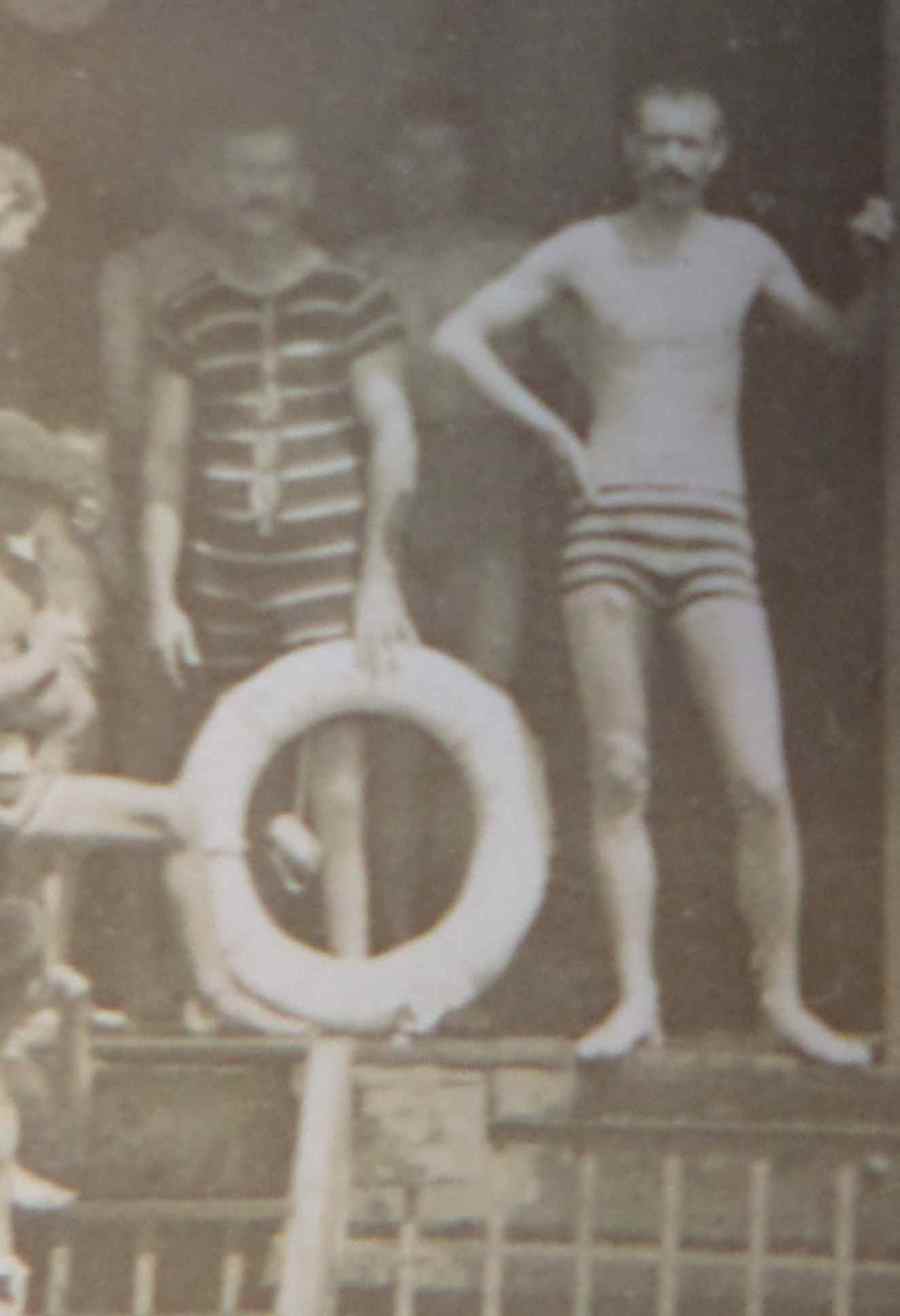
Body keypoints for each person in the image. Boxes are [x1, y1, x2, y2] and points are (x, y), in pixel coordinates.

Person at [434, 79, 892, 1065]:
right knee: (620, 772)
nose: (673, 161)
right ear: (629, 149)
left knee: (761, 780)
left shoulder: (745, 251)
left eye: (691, 145)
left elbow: (850, 342)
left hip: (715, 532)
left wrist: (880, 270)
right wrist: (554, 428)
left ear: (719, 154)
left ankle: (784, 999)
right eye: (656, 142)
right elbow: (458, 334)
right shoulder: (585, 248)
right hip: (609, 530)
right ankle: (636, 996)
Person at [142, 106, 417, 1031]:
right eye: (240, 171)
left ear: (305, 189)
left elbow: (392, 433)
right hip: (221, 574)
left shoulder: (353, 296)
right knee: (228, 781)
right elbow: (165, 460)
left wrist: (378, 578)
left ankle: (352, 987)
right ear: (213, 188)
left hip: (324, 567)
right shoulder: (186, 311)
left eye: (275, 172)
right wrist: (162, 596)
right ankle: (230, 987)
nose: (257, 190)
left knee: (336, 782)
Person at [351, 109, 537, 942]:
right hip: (390, 490)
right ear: (382, 167)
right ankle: (396, 940)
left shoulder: (512, 256)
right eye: (406, 154)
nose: (424, 172)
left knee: (480, 721)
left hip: (488, 484)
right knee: (393, 724)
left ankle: (471, 946)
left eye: (442, 154)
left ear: (470, 165)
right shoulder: (360, 265)